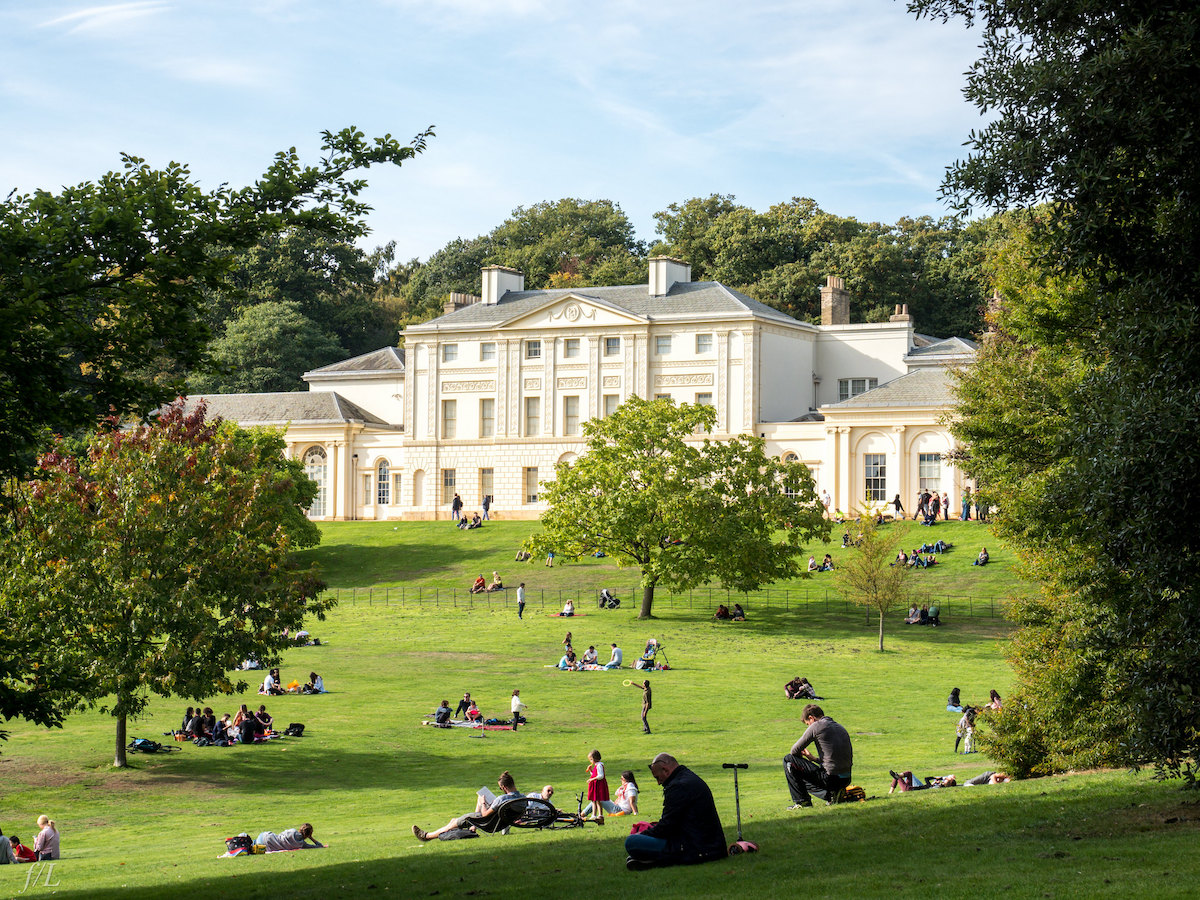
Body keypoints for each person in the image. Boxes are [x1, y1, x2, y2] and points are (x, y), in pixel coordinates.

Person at [624, 753, 726, 870]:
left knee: (632, 842)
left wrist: (642, 834)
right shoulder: (688, 778)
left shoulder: (678, 786)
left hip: (695, 847)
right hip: (709, 844)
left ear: (666, 770)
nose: (659, 782)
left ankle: (655, 860)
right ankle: (648, 859)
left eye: (657, 777)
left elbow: (667, 826)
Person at [413, 771, 524, 841]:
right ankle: (472, 828)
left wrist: (483, 803)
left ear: (504, 787)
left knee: (452, 824)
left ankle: (426, 836)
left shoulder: (502, 799)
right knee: (454, 820)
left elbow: (485, 814)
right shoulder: (523, 798)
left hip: (487, 823)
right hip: (500, 823)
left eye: (500, 788)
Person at [784, 704, 853, 809]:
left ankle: (802, 802)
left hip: (831, 779)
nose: (809, 727)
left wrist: (800, 763)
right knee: (800, 776)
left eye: (808, 724)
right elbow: (834, 760)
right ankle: (832, 795)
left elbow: (794, 751)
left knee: (788, 760)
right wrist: (813, 759)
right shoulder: (839, 727)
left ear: (811, 718)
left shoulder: (817, 726)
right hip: (846, 779)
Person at [256, 823, 324, 851]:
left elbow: (281, 834)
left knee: (252, 843)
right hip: (266, 847)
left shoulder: (292, 831)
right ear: (308, 834)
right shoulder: (302, 844)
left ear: (300, 829)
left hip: (265, 836)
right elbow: (320, 846)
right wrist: (311, 838)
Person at [585, 749, 610, 821]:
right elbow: (594, 775)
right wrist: (590, 770)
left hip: (598, 786)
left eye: (591, 759)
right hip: (595, 785)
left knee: (598, 800)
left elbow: (600, 776)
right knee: (593, 800)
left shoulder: (599, 765)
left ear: (594, 759)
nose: (590, 761)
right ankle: (594, 814)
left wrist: (591, 780)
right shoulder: (596, 766)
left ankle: (600, 814)